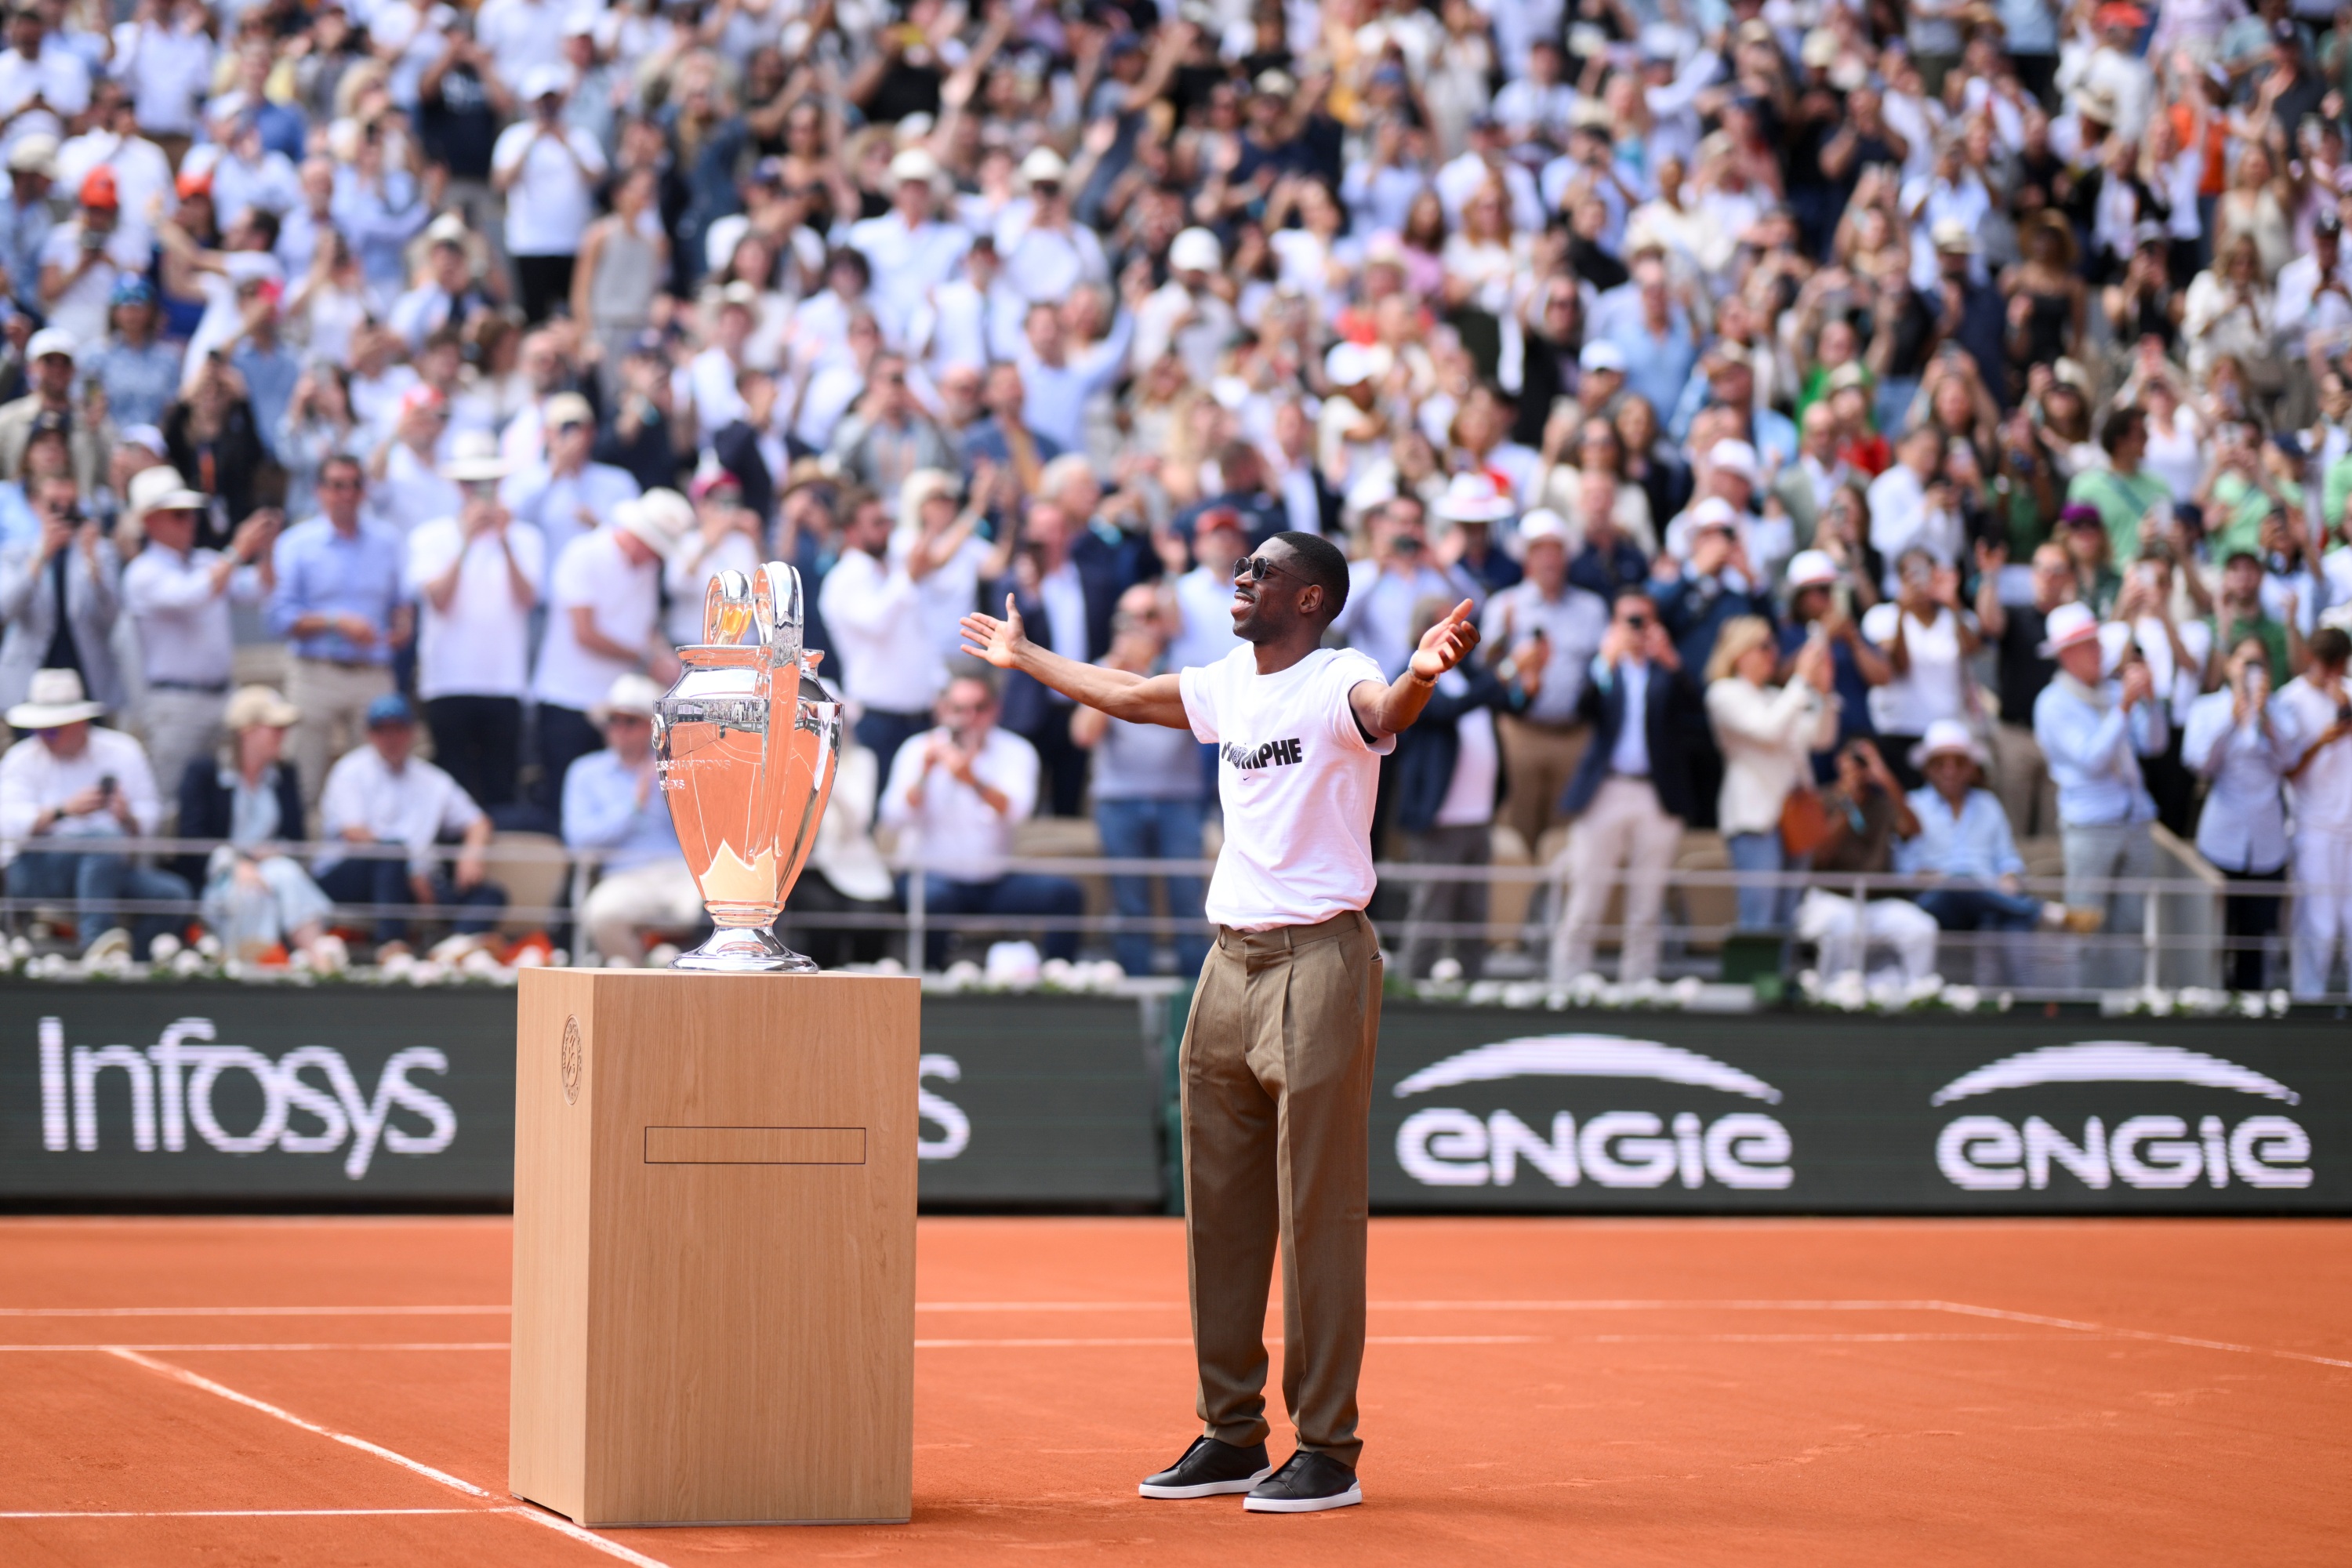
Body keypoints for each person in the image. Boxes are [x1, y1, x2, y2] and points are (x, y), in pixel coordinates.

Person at [958, 526, 1481, 1514]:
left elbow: (1385, 712)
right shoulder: (1230, 683)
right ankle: (1232, 1430)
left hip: (1320, 956)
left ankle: (1327, 1447)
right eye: (1243, 567)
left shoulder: (1340, 676)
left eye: (1262, 570)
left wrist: (1420, 673)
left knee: (1318, 1211)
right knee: (1219, 1212)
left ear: (1310, 598)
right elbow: (1128, 693)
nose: (1241, 578)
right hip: (1227, 962)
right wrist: (1026, 657)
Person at [1550, 586, 1705, 985]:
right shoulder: (1606, 668)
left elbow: (1697, 713)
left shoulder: (1666, 669)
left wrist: (1672, 661)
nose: (1637, 628)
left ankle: (1639, 987)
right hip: (1607, 789)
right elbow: (1580, 708)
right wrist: (1606, 660)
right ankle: (1566, 984)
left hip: (1656, 793)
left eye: (1643, 620)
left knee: (1647, 904)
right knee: (1586, 895)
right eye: (1628, 620)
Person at [877, 669, 1083, 971]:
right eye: (959, 709)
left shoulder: (1016, 750)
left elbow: (1019, 812)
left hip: (994, 881)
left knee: (1064, 895)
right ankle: (929, 980)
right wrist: (924, 773)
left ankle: (1058, 978)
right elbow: (892, 817)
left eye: (979, 708)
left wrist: (972, 780)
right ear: (942, 709)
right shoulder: (917, 749)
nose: (969, 718)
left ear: (996, 709)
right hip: (933, 877)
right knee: (933, 900)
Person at [120, 466, 278, 820]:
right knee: (173, 804)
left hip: (223, 696)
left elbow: (258, 588)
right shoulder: (142, 572)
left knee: (228, 798)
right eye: (178, 515)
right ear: (150, 521)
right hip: (176, 705)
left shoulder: (207, 561)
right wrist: (237, 550)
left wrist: (265, 550)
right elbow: (191, 595)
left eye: (191, 513)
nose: (190, 522)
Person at [0, 667, 189, 956]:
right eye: (39, 729)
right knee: (103, 842)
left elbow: (151, 814)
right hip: (38, 869)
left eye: (52, 729)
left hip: (108, 868)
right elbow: (8, 824)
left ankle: (125, 961)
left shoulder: (123, 750)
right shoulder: (21, 758)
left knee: (172, 896)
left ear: (80, 722)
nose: (45, 736)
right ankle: (96, 945)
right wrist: (62, 811)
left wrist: (127, 817)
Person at [1073, 584, 1210, 978]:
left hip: (1179, 800)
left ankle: (1197, 995)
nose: (1138, 626)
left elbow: (1211, 728)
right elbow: (1083, 735)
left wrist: (1155, 676)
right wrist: (1116, 670)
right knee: (1129, 905)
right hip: (1119, 801)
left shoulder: (1187, 667)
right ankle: (1135, 992)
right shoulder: (1103, 667)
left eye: (1148, 616)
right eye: (1128, 618)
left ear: (1165, 621)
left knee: (1187, 902)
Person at [1393, 594, 1533, 978]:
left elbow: (1509, 703)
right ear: (1424, 630)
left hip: (1479, 813)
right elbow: (1446, 710)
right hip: (1439, 816)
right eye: (1445, 623)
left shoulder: (1469, 672)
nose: (1454, 632)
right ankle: (1415, 985)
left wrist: (1524, 679)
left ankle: (1472, 984)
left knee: (1474, 908)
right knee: (1432, 907)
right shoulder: (1411, 672)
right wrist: (1505, 671)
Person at [528, 491, 691, 811]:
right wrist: (647, 659)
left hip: (619, 706)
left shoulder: (646, 568)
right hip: (568, 699)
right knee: (564, 803)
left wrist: (664, 658)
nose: (657, 558)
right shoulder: (585, 553)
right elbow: (585, 632)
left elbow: (645, 628)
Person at [2034, 601, 2168, 989]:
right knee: (2086, 927)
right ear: (2067, 654)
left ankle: (2124, 1007)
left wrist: (2150, 702)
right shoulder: (2052, 703)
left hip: (2135, 819)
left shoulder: (2111, 691)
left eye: (2096, 643)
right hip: (2090, 827)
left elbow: (2155, 744)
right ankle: (2081, 1009)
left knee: (2131, 926)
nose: (2099, 652)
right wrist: (2125, 706)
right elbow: (2093, 759)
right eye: (2089, 645)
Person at [406, 439, 544, 812]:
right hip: (446, 680)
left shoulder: (525, 538)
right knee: (451, 790)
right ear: (458, 487)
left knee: (501, 788)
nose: (479, 492)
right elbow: (440, 600)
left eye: (487, 483)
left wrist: (504, 541)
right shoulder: (430, 537)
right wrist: (465, 542)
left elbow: (527, 599)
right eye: (471, 483)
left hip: (504, 681)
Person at [267, 453, 409, 807]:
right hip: (316, 672)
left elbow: (401, 601)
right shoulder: (296, 543)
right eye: (337, 485)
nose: (347, 494)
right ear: (319, 491)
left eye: (355, 485)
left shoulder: (387, 541)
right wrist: (335, 621)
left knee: (378, 781)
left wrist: (403, 624)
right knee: (303, 779)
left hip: (372, 671)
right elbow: (279, 618)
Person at [1894, 720, 2085, 984]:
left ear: (1971, 768)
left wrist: (2009, 876)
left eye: (1958, 763)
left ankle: (2020, 1004)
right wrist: (1932, 878)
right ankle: (2040, 912)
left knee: (2010, 924)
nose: (1950, 771)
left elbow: (2008, 859)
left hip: (1988, 898)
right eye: (1940, 763)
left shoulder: (1988, 804)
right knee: (1960, 882)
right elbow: (1904, 868)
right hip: (1937, 901)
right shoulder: (1913, 805)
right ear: (1927, 769)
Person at [313, 693, 506, 949]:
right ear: (369, 734)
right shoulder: (350, 770)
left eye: (398, 729)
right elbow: (354, 834)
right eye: (382, 730)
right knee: (391, 854)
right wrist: (411, 869)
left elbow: (478, 822)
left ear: (412, 732)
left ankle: (451, 948)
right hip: (350, 878)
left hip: (414, 882)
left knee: (491, 895)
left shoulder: (432, 779)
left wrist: (472, 853)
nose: (391, 738)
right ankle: (391, 946)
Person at [1479, 509, 1608, 852]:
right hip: (1520, 731)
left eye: (1556, 550)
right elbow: (1486, 675)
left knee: (1566, 832)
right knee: (1518, 825)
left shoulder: (1591, 608)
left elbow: (1605, 672)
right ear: (1527, 558)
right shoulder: (1505, 606)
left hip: (1574, 731)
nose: (1549, 558)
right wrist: (1514, 663)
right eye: (1540, 550)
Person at [180, 685, 335, 963]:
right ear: (247, 731)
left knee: (284, 872)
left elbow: (296, 839)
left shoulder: (286, 774)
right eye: (275, 728)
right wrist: (235, 863)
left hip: (274, 870)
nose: (283, 735)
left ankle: (311, 960)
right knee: (253, 890)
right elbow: (190, 838)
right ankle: (296, 960)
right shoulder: (204, 772)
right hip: (220, 878)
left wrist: (275, 852)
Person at [1705, 615, 1838, 931]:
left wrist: (1824, 693)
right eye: (1763, 646)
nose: (1773, 653)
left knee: (1788, 916)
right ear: (1739, 652)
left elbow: (1821, 738)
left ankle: (1780, 967)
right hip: (1755, 819)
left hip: (1795, 817)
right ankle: (1754, 968)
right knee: (1758, 918)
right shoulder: (1723, 693)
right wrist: (1801, 680)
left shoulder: (1777, 696)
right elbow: (1768, 729)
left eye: (1772, 645)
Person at [563, 673, 703, 965]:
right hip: (624, 875)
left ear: (652, 726)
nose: (620, 729)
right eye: (613, 720)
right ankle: (640, 976)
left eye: (631, 721)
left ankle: (688, 974)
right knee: (602, 914)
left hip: (682, 872)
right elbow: (580, 841)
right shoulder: (585, 772)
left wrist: (672, 786)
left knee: (718, 910)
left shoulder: (678, 767)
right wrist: (632, 807)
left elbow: (702, 831)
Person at [2183, 636, 2292, 991]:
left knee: (2255, 939)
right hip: (2221, 838)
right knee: (2215, 934)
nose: (2251, 671)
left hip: (2267, 842)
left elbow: (2289, 762)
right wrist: (2231, 719)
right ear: (2230, 665)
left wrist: (2265, 719)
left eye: (2259, 663)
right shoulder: (2206, 708)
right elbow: (2200, 764)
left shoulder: (2281, 709)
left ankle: (2252, 1006)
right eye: (2245, 662)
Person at [818, 486, 948, 770]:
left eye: (888, 521)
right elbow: (876, 623)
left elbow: (920, 634)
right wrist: (909, 576)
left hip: (922, 713)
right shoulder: (842, 579)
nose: (887, 529)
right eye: (877, 523)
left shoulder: (895, 566)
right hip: (878, 719)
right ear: (851, 531)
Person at [1793, 738, 1940, 985]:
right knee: (1844, 927)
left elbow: (1913, 830)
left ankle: (1919, 994)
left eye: (1865, 761)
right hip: (1829, 899)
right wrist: (1848, 803)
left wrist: (1886, 779)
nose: (1859, 767)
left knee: (1922, 928)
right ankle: (1834, 995)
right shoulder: (1821, 799)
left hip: (1875, 902)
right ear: (1839, 761)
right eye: (1853, 758)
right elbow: (1820, 856)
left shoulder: (1883, 803)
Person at [0, 468, 120, 717]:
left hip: (87, 677)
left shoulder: (101, 550)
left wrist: (93, 562)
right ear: (36, 505)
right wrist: (41, 556)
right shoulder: (15, 553)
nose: (64, 512)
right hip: (28, 681)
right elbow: (5, 609)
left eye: (71, 505)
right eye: (55, 505)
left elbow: (112, 616)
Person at [491, 67, 607, 321]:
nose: (547, 107)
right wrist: (533, 141)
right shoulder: (515, 137)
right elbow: (501, 182)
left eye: (551, 100)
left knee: (573, 314)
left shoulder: (579, 137)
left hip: (573, 241)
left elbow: (597, 179)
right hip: (530, 242)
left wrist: (566, 144)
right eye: (541, 101)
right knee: (535, 316)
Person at [2277, 626, 2352, 996]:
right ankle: (2308, 1002)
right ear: (2311, 659)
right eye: (2327, 666)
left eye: (2339, 666)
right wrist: (2321, 740)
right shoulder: (2289, 700)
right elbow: (2286, 768)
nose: (2333, 674)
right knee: (2318, 924)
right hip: (2313, 827)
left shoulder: (2349, 694)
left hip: (2349, 827)